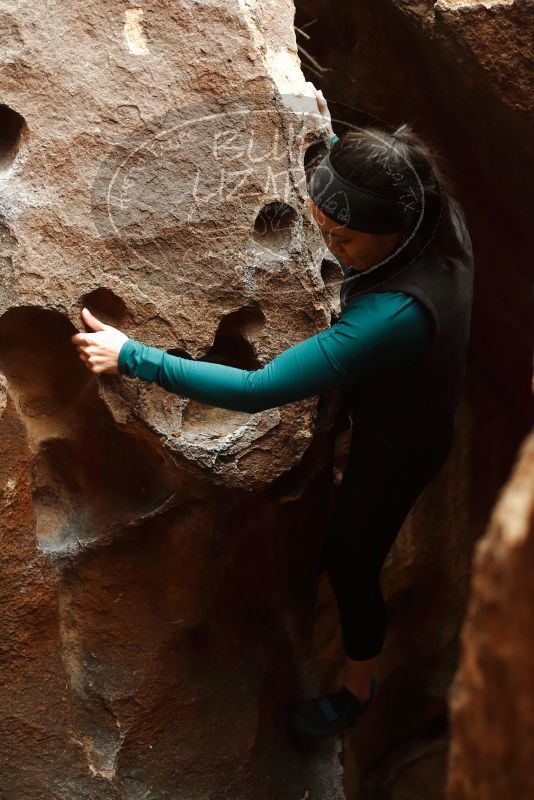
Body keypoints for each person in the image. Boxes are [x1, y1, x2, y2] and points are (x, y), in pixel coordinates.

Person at [71, 85, 474, 738]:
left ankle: (358, 683)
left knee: (350, 556)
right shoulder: (424, 197)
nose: (328, 244)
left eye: (341, 237)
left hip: (403, 439)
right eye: (321, 224)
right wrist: (329, 137)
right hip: (397, 384)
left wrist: (133, 357)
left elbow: (258, 391)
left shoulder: (395, 315)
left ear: (389, 233)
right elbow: (373, 166)